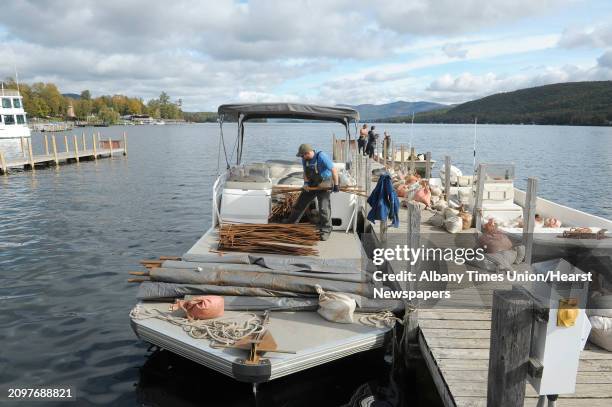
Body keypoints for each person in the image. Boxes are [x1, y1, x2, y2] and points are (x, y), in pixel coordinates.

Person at [287, 144, 340, 241]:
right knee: (300, 203)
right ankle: (291, 225)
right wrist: (306, 183)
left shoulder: (322, 156)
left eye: (303, 156)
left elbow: (333, 170)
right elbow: (305, 172)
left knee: (324, 208)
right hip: (311, 183)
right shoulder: (305, 159)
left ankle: (326, 230)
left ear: (307, 153)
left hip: (324, 182)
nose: (302, 158)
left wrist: (336, 185)